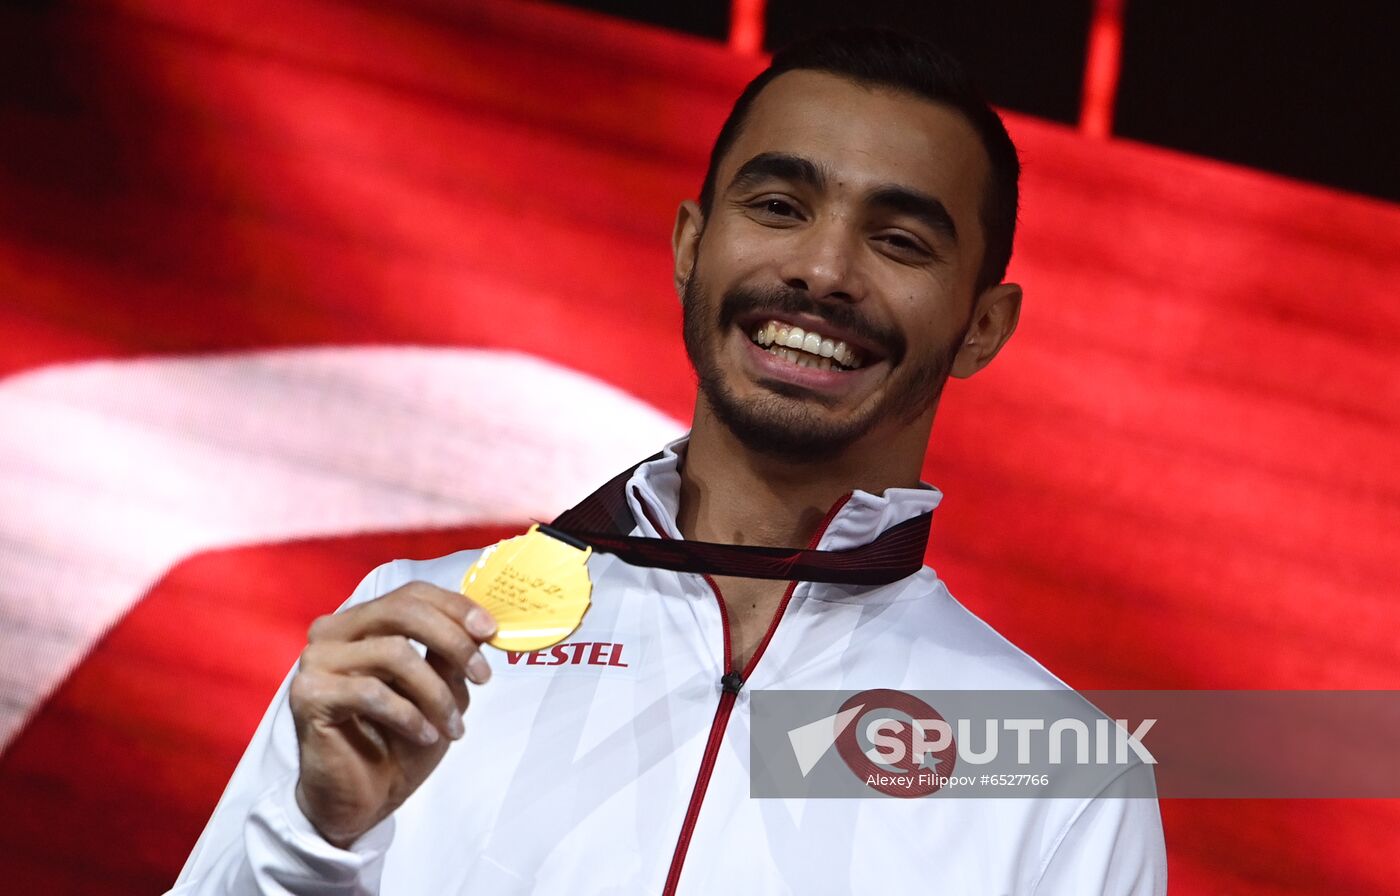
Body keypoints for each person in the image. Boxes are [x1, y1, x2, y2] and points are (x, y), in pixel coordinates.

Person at [170, 27, 1166, 895]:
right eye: (778, 205)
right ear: (691, 243)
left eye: (899, 240)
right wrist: (316, 840)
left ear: (981, 326)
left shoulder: (1060, 773)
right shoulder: (412, 639)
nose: (821, 271)